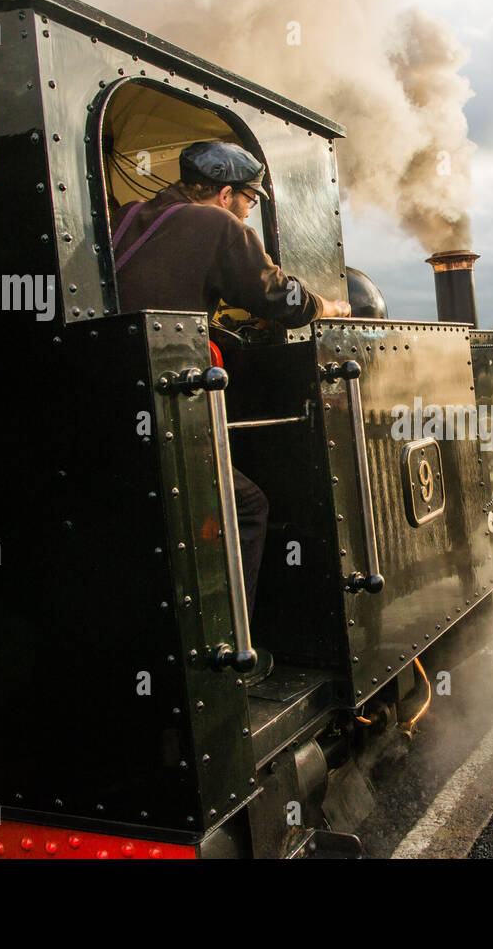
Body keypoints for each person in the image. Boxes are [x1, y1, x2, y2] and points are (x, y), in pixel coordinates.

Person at [111, 140, 351, 681]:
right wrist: (328, 306)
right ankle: (224, 649)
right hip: (164, 402)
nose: (248, 212)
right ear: (226, 193)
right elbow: (276, 296)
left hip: (111, 402)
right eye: (248, 201)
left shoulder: (128, 218)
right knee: (246, 505)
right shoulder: (217, 225)